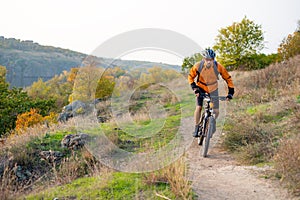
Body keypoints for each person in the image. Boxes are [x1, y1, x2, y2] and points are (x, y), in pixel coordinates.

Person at [188, 48, 234, 137]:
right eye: (207, 60)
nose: (209, 62)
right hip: (201, 88)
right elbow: (190, 77)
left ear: (214, 59)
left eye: (211, 60)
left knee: (216, 111)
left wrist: (231, 92)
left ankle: (212, 122)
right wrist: (195, 88)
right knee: (199, 107)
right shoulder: (198, 66)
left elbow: (228, 78)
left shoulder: (218, 67)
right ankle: (197, 127)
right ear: (203, 59)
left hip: (213, 89)